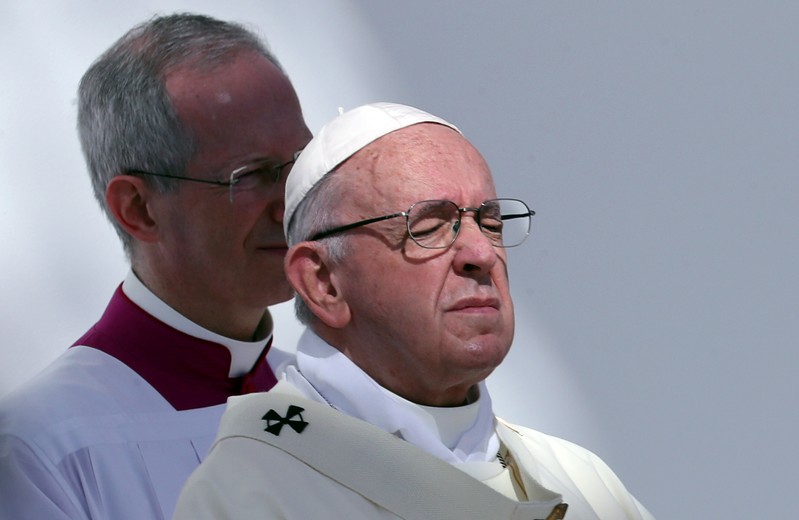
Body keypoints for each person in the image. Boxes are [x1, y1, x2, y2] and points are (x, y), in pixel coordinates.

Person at [172, 102, 655, 520]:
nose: (481, 254)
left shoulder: (585, 485)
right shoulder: (249, 496)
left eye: (489, 221)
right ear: (323, 284)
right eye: (430, 225)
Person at [0, 13, 311, 520]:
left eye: (302, 161)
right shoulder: (40, 449)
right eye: (252, 175)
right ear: (139, 209)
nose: (291, 204)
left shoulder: (337, 402)